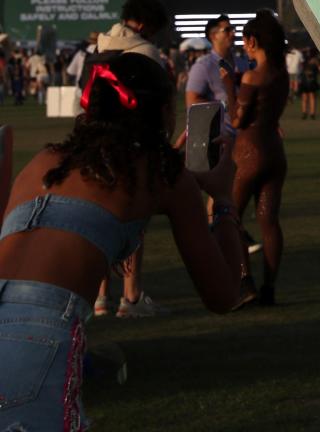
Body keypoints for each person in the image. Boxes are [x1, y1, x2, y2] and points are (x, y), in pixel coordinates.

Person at [0, 51, 242, 428]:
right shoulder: (162, 178)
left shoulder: (44, 162)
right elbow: (224, 295)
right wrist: (223, 200)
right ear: (163, 112)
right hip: (37, 342)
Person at [93, 0, 172, 319]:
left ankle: (99, 299)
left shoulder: (99, 47)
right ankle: (131, 296)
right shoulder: (147, 53)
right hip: (135, 147)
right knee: (134, 223)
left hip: (95, 147)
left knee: (98, 225)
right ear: (143, 23)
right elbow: (163, 108)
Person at [218, 10, 289, 308]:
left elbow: (238, 118)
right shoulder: (280, 74)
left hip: (248, 152)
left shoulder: (253, 76)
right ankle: (270, 287)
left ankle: (245, 282)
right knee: (269, 221)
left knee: (231, 218)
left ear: (254, 41)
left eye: (246, 39)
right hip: (275, 151)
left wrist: (230, 86)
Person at [185, 14, 236, 131]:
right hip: (222, 135)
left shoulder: (242, 62)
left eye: (233, 29)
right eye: (227, 30)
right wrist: (225, 105)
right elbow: (192, 102)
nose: (233, 34)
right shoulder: (203, 66)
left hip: (245, 135)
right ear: (214, 36)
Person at [299, 50, 320, 118]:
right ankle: (304, 113)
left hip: (312, 81)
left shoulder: (315, 61)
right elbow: (301, 69)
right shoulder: (304, 60)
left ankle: (312, 113)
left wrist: (317, 63)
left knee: (312, 97)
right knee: (304, 97)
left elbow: (319, 69)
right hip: (304, 80)